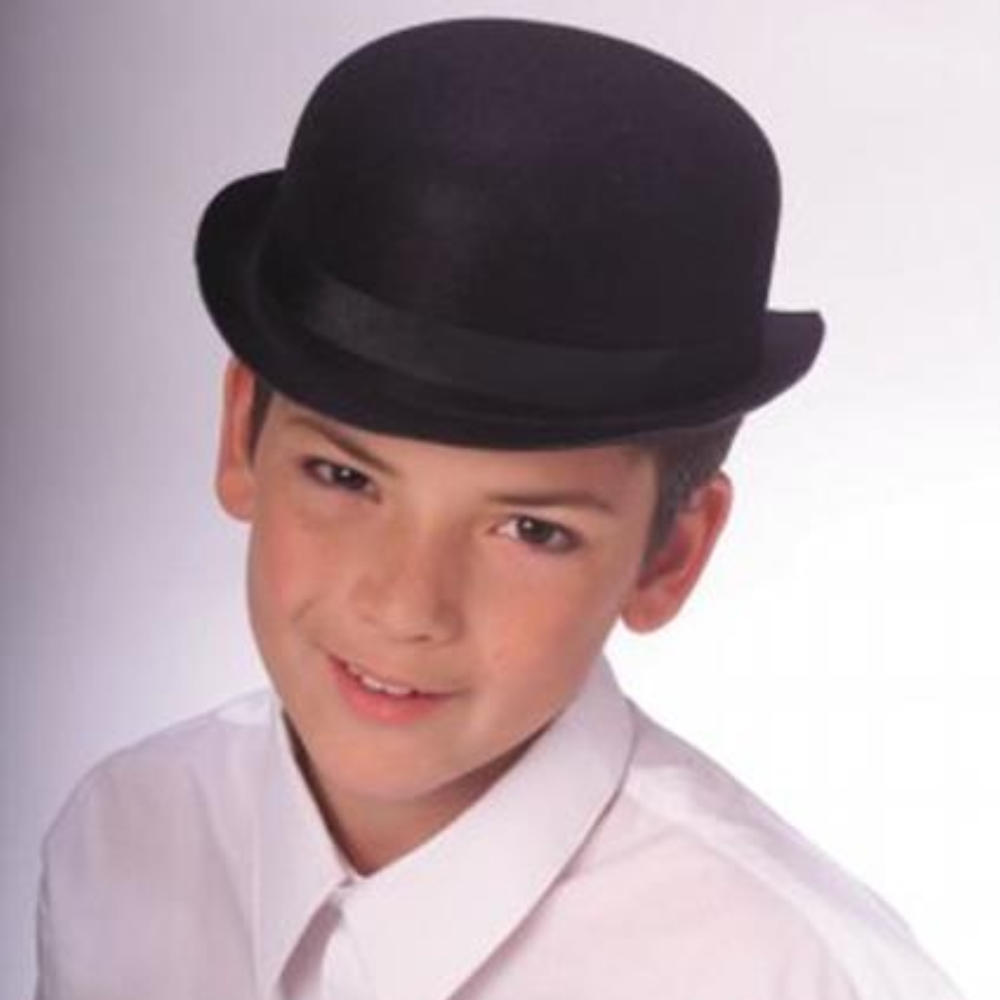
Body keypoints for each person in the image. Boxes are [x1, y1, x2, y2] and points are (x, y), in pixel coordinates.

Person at [33, 17, 963, 1000]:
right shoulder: (121, 842)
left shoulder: (792, 974)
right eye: (344, 477)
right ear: (241, 436)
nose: (405, 605)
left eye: (532, 529)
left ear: (670, 556)